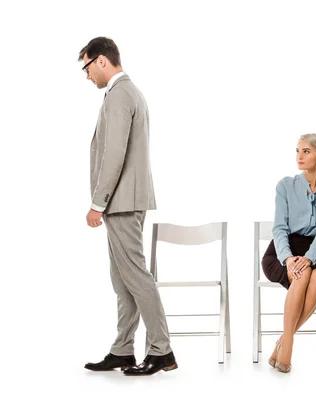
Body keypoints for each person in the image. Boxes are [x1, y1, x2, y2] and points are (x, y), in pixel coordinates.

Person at [79, 37, 177, 376]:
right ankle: (123, 350)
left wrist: (97, 202)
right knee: (122, 279)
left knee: (136, 276)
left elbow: (114, 155)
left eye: (87, 67)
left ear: (102, 61)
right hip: (123, 201)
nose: (87, 75)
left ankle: (162, 350)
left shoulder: (121, 94)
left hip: (121, 201)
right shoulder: (125, 93)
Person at [261, 133, 316, 373]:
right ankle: (288, 347)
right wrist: (288, 259)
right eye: (297, 151)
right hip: (280, 251)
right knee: (303, 274)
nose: (299, 156)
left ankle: (283, 340)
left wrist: (309, 258)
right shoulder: (285, 185)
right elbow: (279, 227)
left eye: (306, 151)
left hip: (310, 252)